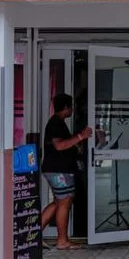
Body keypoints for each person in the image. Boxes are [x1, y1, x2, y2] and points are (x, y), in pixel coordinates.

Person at [40, 93, 92, 250]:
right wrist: (80, 137)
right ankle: (62, 240)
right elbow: (59, 145)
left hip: (57, 169)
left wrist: (77, 144)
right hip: (59, 171)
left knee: (58, 202)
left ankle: (33, 236)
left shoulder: (59, 123)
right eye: (71, 106)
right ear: (65, 107)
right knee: (65, 202)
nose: (72, 109)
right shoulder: (55, 123)